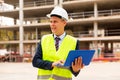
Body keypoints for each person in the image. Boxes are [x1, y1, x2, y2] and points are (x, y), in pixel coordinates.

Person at [32, 6, 84, 80]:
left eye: (55, 21)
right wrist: (52, 64)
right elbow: (35, 62)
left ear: (64, 23)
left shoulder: (74, 42)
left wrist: (76, 69)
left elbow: (75, 71)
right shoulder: (44, 39)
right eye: (51, 22)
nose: (52, 24)